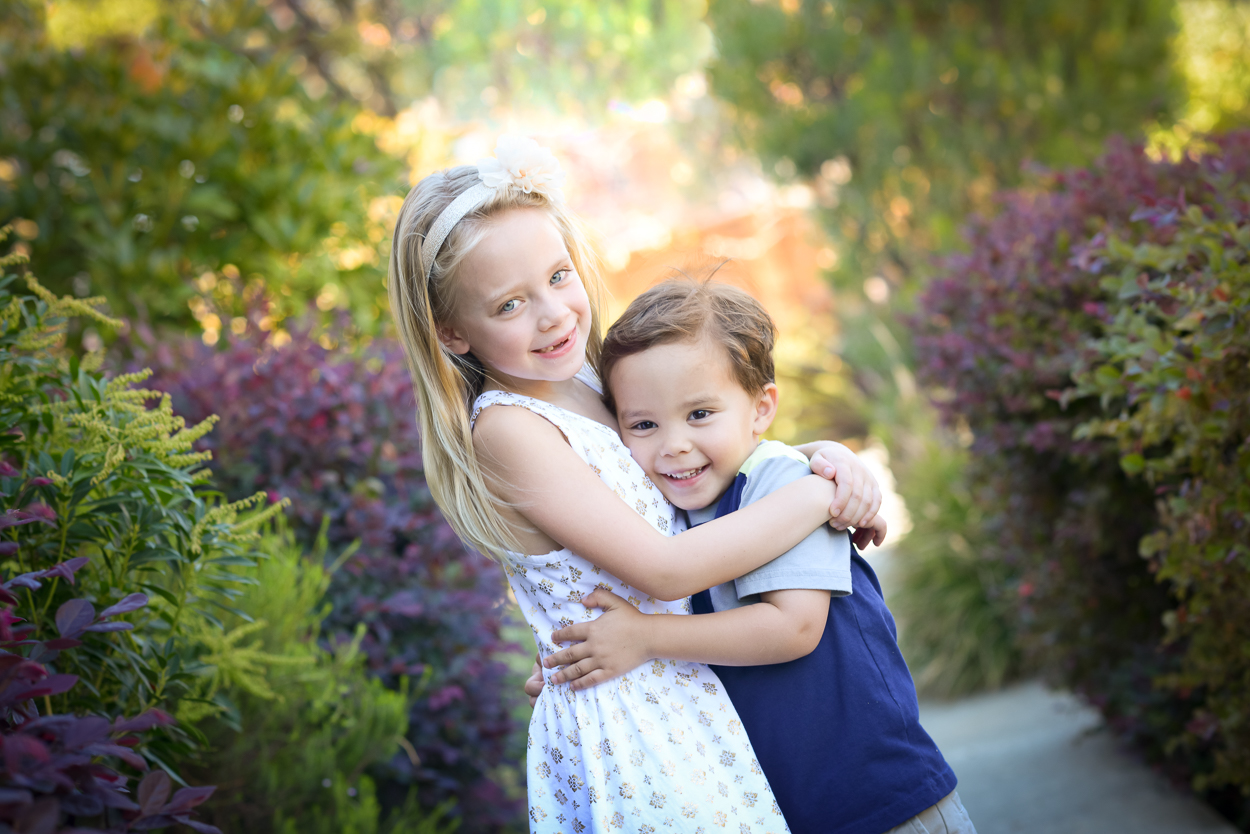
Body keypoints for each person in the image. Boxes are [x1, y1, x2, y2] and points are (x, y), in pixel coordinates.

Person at [387, 136, 886, 832]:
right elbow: (664, 569)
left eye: (559, 277)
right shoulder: (508, 428)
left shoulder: (586, 380)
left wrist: (821, 457)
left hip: (678, 686)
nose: (554, 313)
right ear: (452, 332)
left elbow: (695, 470)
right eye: (509, 305)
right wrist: (816, 494)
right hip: (629, 719)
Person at [539, 278, 975, 834]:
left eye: (699, 414)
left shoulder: (784, 484)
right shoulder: (668, 516)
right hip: (782, 805)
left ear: (761, 407)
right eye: (643, 424)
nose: (672, 443)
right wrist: (572, 661)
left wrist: (644, 636)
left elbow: (793, 628)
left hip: (879, 793)